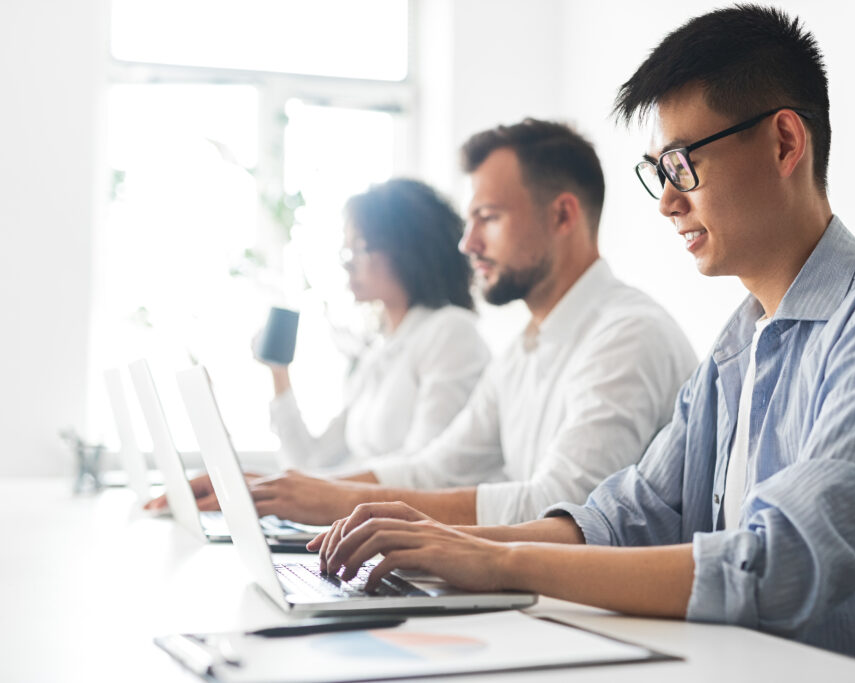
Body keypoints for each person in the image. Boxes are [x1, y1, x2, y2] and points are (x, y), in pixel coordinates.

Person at [308, 6, 855, 678]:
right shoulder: (739, 344)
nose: (668, 201)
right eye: (659, 173)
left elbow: (774, 564)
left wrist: (497, 561)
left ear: (785, 143)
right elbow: (627, 515)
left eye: (681, 164)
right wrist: (450, 548)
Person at [157, 119, 698, 527]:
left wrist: (338, 499)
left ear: (561, 216)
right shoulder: (524, 350)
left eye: (488, 217)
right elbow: (434, 468)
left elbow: (561, 509)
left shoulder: (627, 335)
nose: (468, 243)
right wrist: (286, 487)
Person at [262, 179, 491, 471]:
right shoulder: (380, 348)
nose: (348, 264)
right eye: (347, 250)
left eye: (360, 248)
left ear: (407, 250)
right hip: (365, 510)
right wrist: (278, 372)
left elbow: (424, 471)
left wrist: (324, 493)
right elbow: (310, 461)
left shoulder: (451, 332)